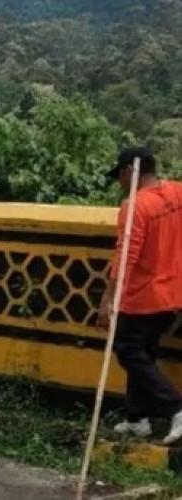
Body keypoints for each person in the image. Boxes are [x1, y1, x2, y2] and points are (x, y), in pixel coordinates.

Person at [98, 147, 182, 444]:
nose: (120, 183)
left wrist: (108, 298)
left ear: (128, 172)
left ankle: (175, 407)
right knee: (144, 353)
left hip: (144, 296)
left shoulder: (135, 206)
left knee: (129, 351)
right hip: (173, 294)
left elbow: (125, 256)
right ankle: (137, 418)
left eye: (119, 176)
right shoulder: (176, 193)